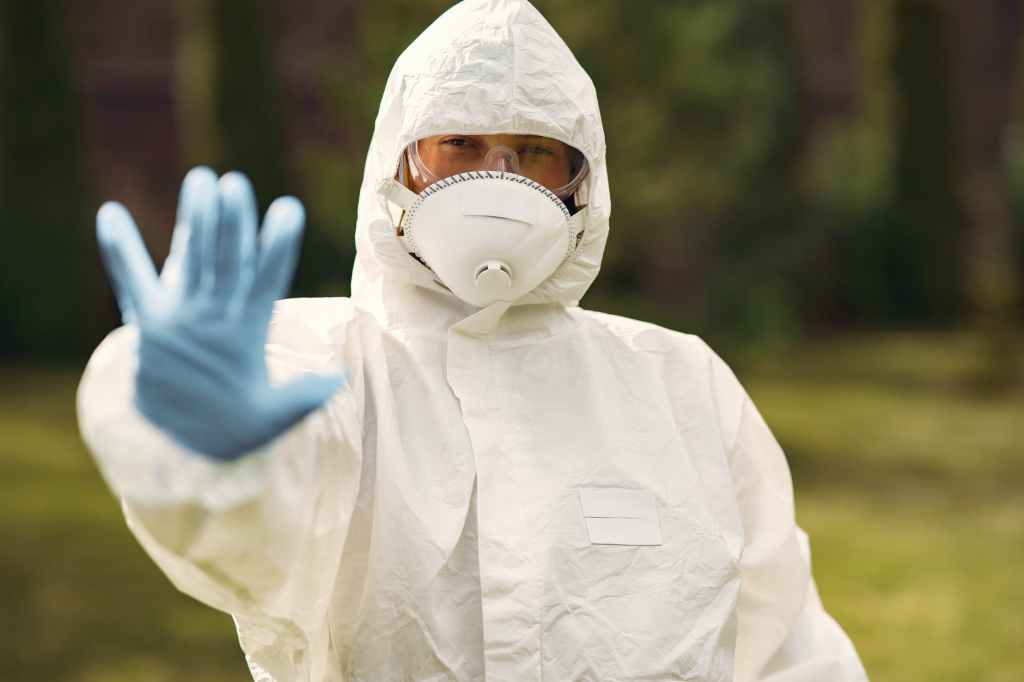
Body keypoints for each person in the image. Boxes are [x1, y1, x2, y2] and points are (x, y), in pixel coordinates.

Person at [77, 0, 869, 680]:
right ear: (398, 168)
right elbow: (254, 537)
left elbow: (787, 644)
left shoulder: (679, 383)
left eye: (534, 153)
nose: (498, 177)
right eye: (458, 146)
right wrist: (203, 453)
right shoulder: (324, 365)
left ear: (582, 186)